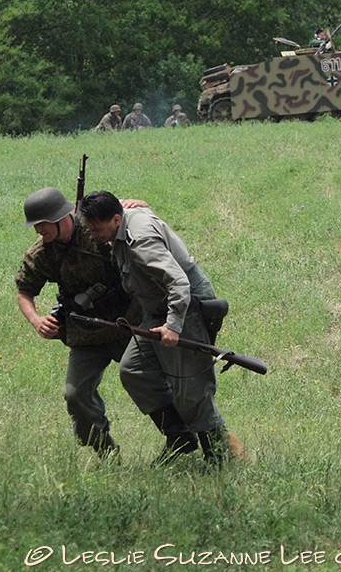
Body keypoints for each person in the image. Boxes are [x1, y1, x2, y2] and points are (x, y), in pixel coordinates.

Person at [16, 187, 198, 463]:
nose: (39, 231)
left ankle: (181, 435)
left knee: (149, 378)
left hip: (128, 323)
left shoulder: (96, 231)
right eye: (35, 226)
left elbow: (125, 222)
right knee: (75, 395)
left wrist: (142, 205)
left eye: (42, 224)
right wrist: (36, 320)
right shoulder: (42, 253)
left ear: (63, 216)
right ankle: (106, 454)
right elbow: (24, 291)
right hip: (86, 333)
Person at [77, 191, 245, 467]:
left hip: (185, 305)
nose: (93, 235)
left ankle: (219, 456)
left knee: (190, 388)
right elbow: (105, 206)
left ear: (116, 219)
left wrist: (173, 326)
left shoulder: (141, 242)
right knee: (134, 370)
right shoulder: (119, 216)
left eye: (96, 229)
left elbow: (179, 283)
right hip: (155, 308)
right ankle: (180, 435)